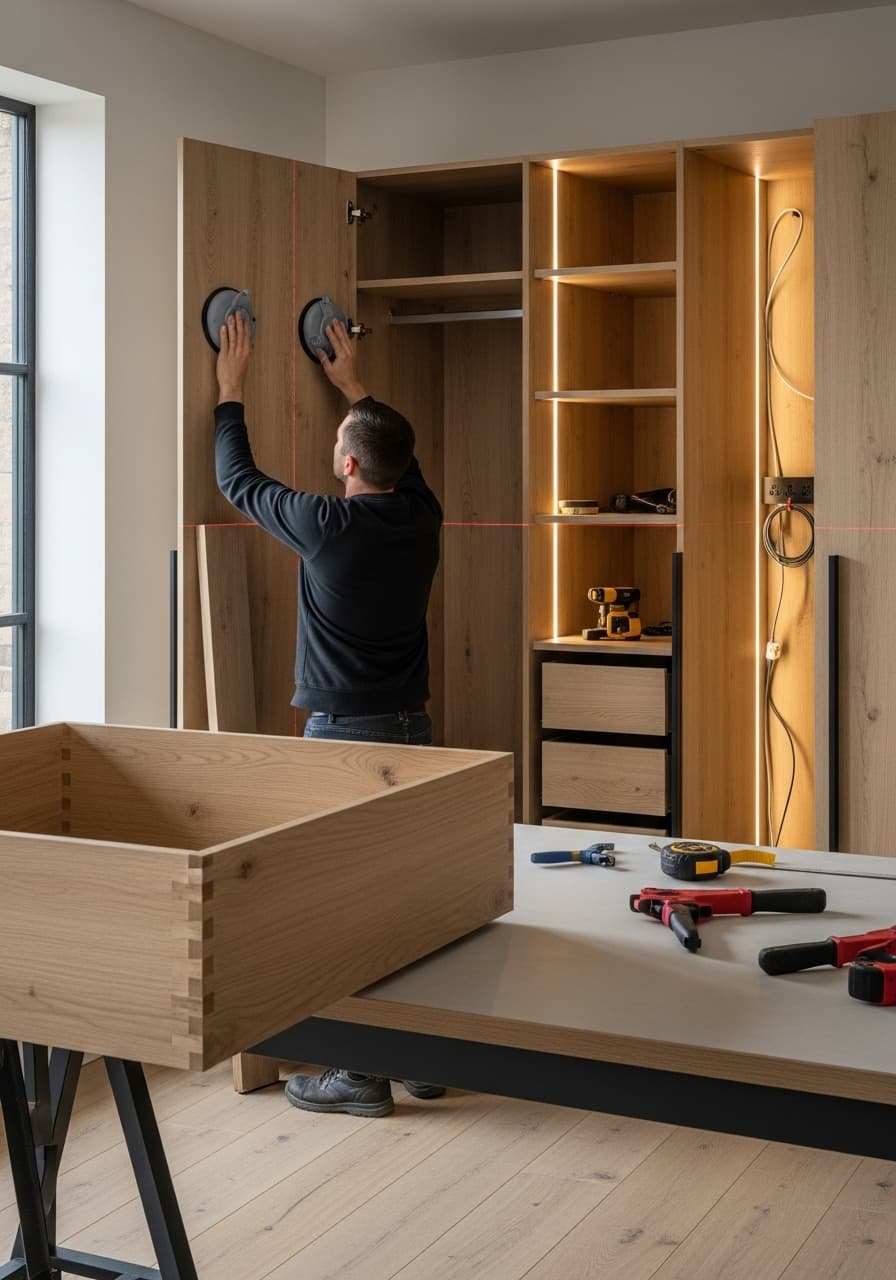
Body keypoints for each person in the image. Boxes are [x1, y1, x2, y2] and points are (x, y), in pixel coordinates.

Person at [214, 310, 445, 1117]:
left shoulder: (327, 525)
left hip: (344, 740)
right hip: (414, 731)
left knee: (344, 908)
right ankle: (419, 1056)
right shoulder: (422, 518)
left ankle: (361, 1075)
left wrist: (230, 391)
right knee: (407, 900)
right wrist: (351, 387)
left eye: (342, 435)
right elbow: (396, 453)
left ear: (346, 462)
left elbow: (239, 482)